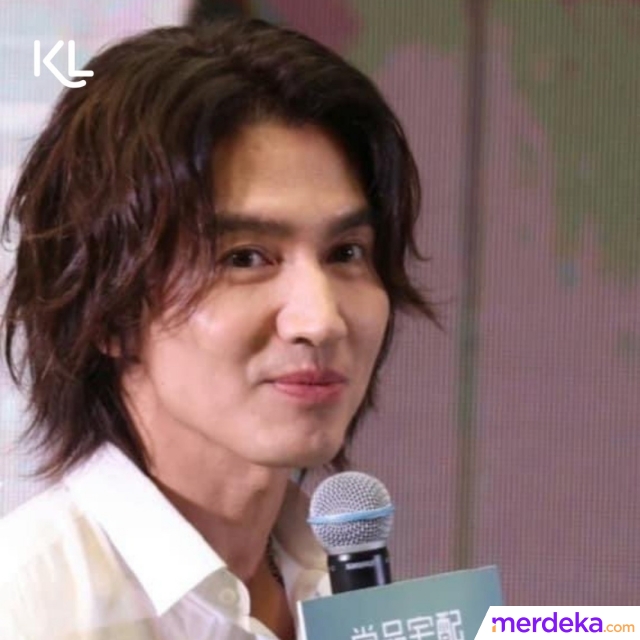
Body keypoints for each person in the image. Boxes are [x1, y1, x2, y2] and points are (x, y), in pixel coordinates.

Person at [0, 18, 436, 640]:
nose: (320, 319)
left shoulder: (347, 591)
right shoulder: (27, 610)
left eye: (346, 252)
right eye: (246, 258)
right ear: (109, 309)